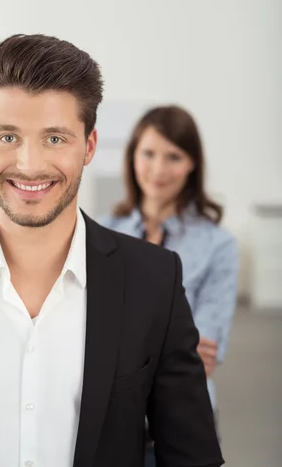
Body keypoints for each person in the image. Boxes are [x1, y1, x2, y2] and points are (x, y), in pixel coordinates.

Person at [0, 35, 224, 467]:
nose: (29, 164)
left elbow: (191, 456)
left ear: (90, 146)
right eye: (7, 136)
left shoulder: (152, 279)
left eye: (55, 139)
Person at [99, 105, 239, 467]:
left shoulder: (218, 245)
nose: (158, 169)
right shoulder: (101, 232)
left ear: (192, 163)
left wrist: (119, 348)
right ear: (132, 156)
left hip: (184, 417)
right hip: (109, 421)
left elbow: (202, 354)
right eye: (148, 153)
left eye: (173, 156)